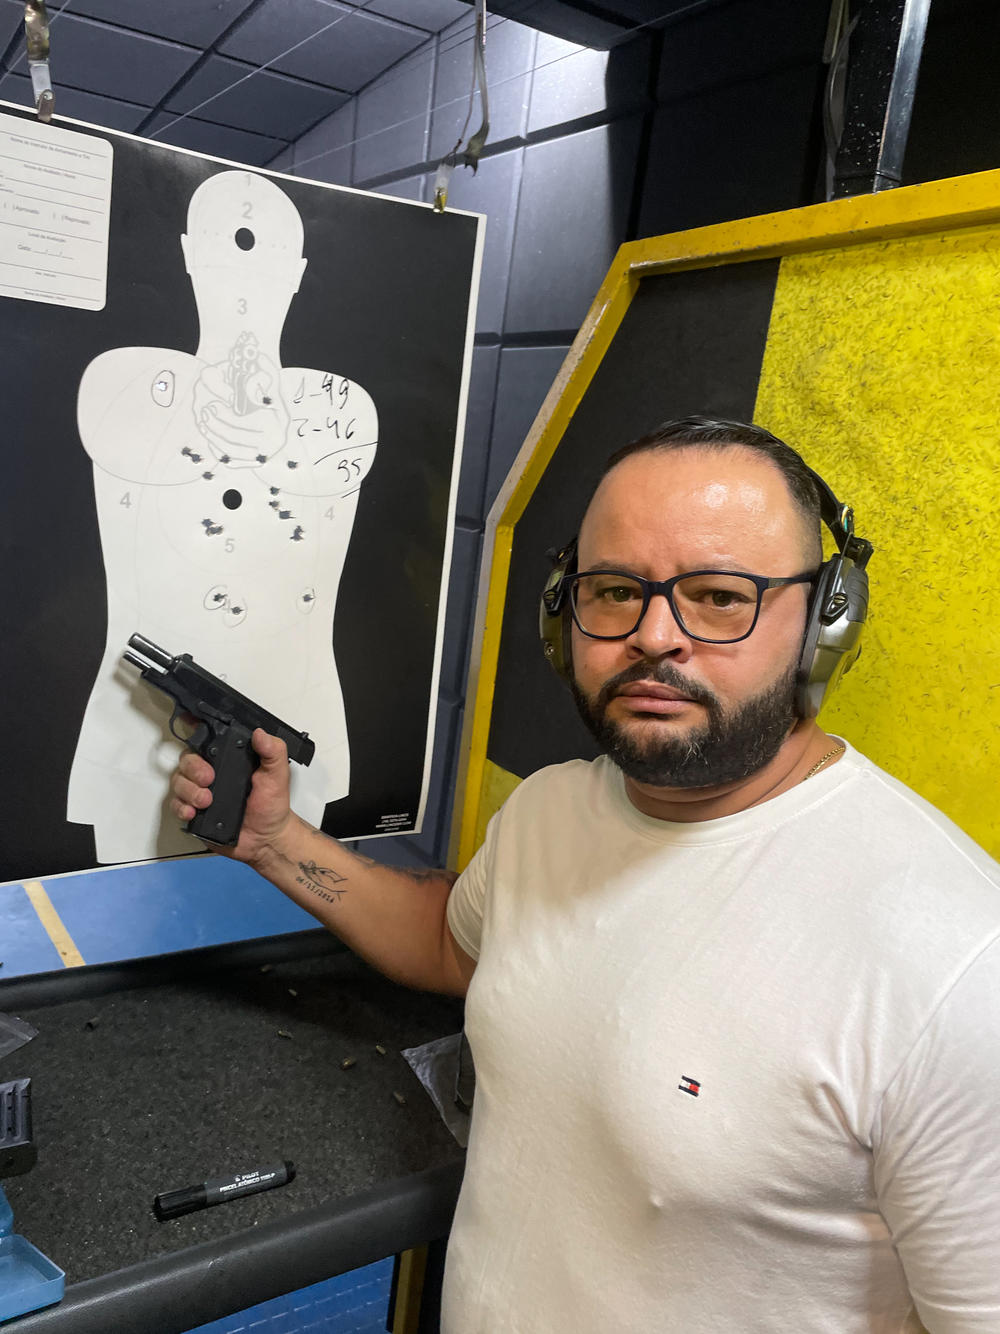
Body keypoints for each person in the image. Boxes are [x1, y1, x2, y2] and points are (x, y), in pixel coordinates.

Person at [170, 417, 1000, 1333]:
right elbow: (453, 945)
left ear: (824, 623)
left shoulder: (954, 962)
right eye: (614, 591)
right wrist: (273, 837)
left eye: (721, 597)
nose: (654, 636)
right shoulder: (555, 810)